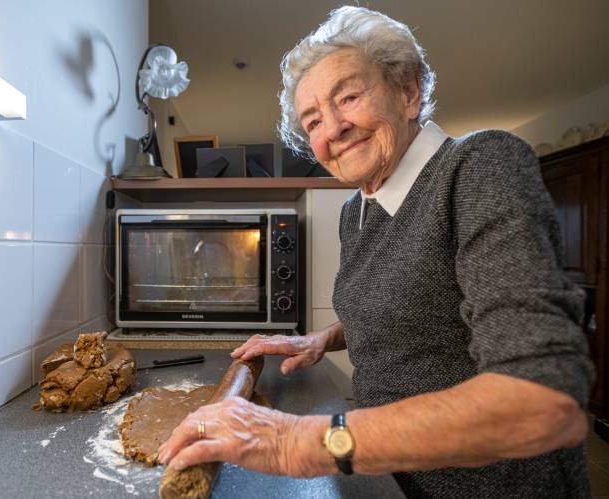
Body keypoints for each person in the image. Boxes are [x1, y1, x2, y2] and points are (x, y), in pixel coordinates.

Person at [158, 6, 594, 497]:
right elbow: (422, 304)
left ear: (409, 91)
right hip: (387, 475)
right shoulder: (357, 209)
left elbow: (540, 399)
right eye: (313, 121)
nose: (333, 130)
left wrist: (293, 441)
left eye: (348, 96)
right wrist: (321, 339)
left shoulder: (479, 166)